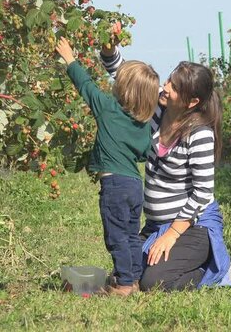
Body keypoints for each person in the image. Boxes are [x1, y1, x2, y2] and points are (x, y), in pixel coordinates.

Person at [100, 46, 231, 291]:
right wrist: (108, 51)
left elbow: (202, 193)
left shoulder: (199, 134)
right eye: (169, 80)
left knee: (152, 282)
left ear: (192, 102)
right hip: (156, 225)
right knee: (129, 272)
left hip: (192, 227)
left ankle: (212, 270)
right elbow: (129, 78)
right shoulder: (159, 106)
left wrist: (171, 235)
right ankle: (184, 259)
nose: (166, 88)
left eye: (175, 88)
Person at [56, 37, 159, 296]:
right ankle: (133, 278)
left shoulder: (108, 108)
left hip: (114, 185)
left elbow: (86, 86)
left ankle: (124, 284)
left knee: (116, 236)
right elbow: (144, 153)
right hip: (135, 185)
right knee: (131, 233)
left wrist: (69, 58)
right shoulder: (144, 124)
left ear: (123, 89)